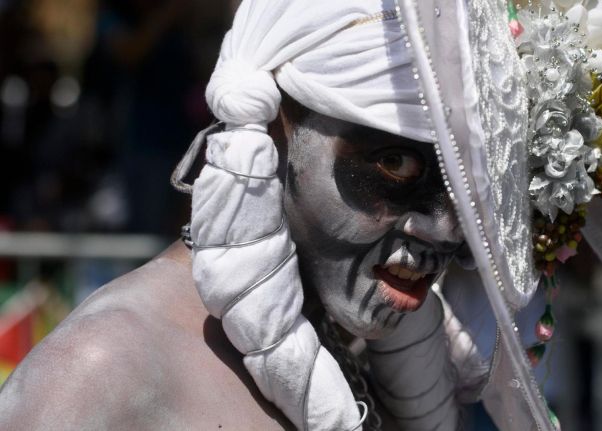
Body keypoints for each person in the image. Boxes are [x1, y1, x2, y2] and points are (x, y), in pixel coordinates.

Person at [0, 1, 558, 430]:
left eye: (467, 189)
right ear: (275, 129)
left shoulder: (363, 346)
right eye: (393, 163)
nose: (445, 229)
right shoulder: (100, 373)